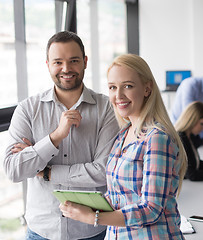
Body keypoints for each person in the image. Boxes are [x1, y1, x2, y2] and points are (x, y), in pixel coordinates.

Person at [3, 31, 120, 239]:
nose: (66, 69)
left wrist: (46, 171)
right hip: (41, 232)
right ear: (48, 64)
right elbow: (14, 170)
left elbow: (104, 172)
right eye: (58, 62)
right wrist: (55, 137)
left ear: (84, 62)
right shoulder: (28, 109)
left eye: (73, 60)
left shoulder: (106, 108)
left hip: (92, 232)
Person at [59, 54, 187, 239]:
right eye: (112, 87)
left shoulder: (157, 138)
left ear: (147, 88)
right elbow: (119, 196)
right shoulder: (124, 134)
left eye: (128, 86)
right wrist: (86, 205)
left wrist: (93, 217)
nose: (118, 96)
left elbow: (152, 209)